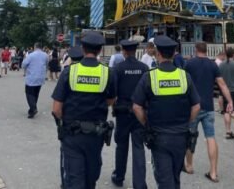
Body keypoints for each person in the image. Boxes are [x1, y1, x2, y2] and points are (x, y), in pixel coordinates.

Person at [132, 35, 201, 189]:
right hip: (181, 136)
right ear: (174, 53)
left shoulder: (149, 77)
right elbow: (196, 106)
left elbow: (137, 107)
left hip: (159, 135)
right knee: (175, 178)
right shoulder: (184, 76)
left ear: (158, 54)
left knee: (164, 180)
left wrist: (146, 124)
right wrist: (186, 123)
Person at [51, 31, 116, 188]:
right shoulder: (107, 73)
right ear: (100, 50)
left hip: (72, 135)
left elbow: (56, 108)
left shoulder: (69, 72)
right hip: (95, 134)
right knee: (90, 176)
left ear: (82, 49)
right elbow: (110, 100)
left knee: (74, 177)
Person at [183, 42, 234, 182]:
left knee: (190, 135)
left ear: (195, 50)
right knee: (210, 137)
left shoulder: (189, 64)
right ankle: (213, 172)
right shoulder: (213, 65)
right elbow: (222, 84)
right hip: (208, 106)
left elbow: (183, 83)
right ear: (206, 50)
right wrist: (229, 101)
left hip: (193, 106)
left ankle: (189, 165)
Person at [110, 39, 148, 189]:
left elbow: (113, 92)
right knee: (138, 147)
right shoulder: (144, 68)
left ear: (124, 52)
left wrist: (114, 106)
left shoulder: (118, 69)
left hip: (122, 113)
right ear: (135, 51)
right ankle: (139, 184)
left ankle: (119, 176)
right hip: (139, 112)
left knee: (121, 145)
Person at [22, 42, 49, 118]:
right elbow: (47, 65)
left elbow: (23, 64)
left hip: (32, 77)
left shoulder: (31, 55)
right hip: (41, 77)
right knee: (36, 94)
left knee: (29, 94)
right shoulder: (46, 55)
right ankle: (31, 111)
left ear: (35, 47)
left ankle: (33, 108)